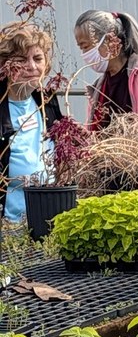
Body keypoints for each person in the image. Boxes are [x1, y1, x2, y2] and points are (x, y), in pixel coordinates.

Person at [0, 22, 63, 222]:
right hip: (10, 225)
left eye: (38, 58)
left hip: (51, 216)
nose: (32, 67)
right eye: (21, 60)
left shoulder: (47, 100)